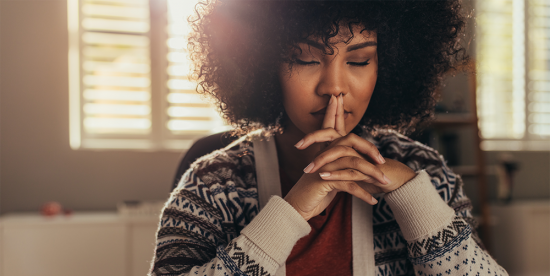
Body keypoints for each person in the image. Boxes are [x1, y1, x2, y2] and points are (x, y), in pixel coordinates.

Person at [150, 0, 508, 275]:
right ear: (262, 65)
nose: (334, 87)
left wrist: (412, 196)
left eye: (359, 61)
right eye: (305, 60)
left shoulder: (421, 169)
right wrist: (291, 213)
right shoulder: (214, 185)